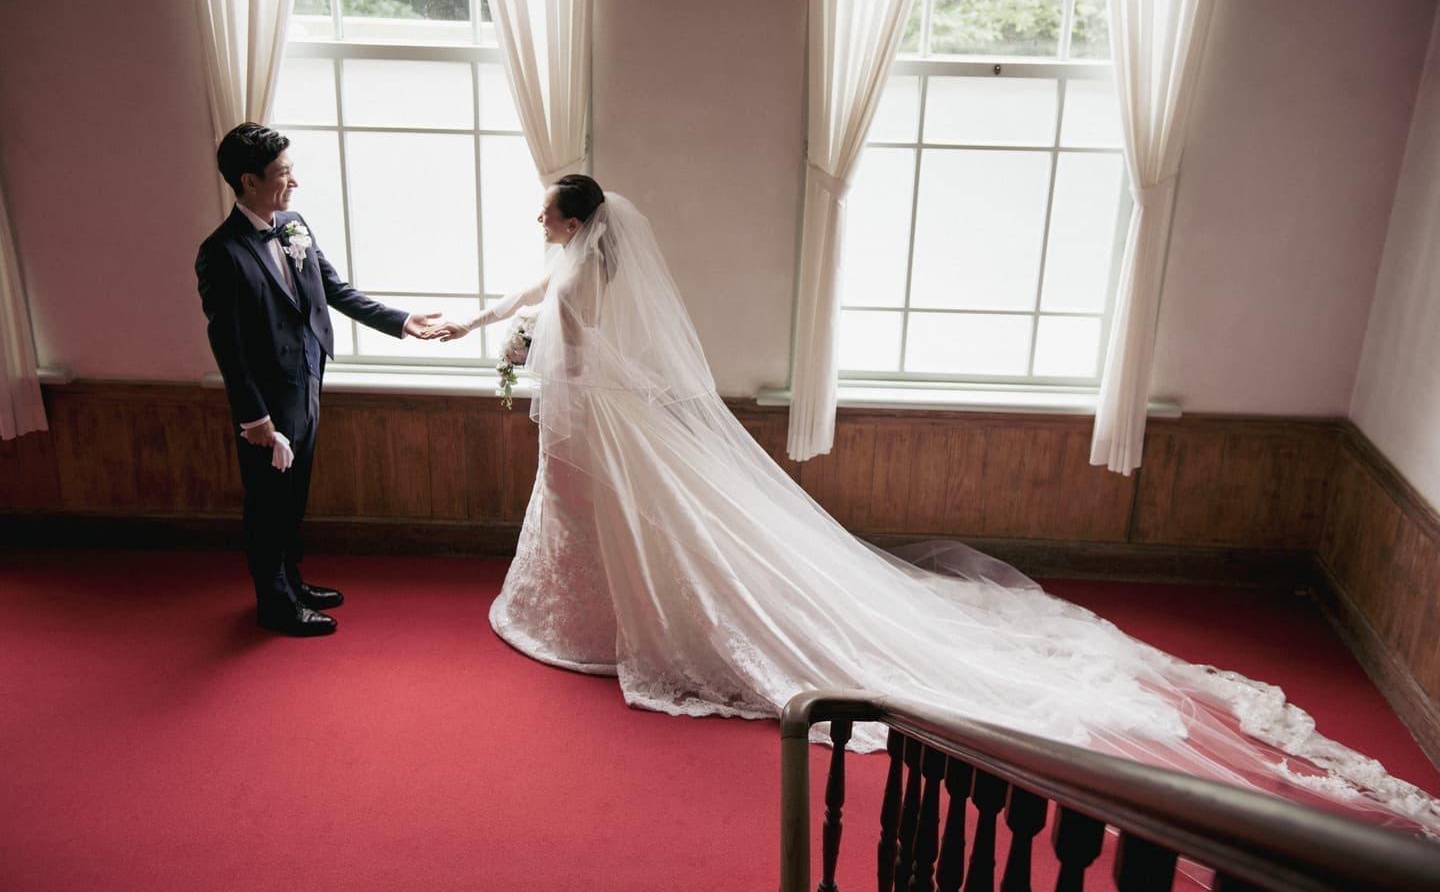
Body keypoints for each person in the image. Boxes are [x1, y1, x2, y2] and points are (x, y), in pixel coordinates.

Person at [435, 176, 1440, 833]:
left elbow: (559, 327)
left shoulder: (579, 277)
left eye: (546, 214)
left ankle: (614, 620)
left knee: (618, 522)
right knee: (599, 523)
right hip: (589, 417)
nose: (539, 224)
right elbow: (531, 301)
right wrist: (478, 325)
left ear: (574, 222)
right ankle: (597, 614)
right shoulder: (579, 264)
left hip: (593, 417)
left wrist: (519, 346)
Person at [197, 122, 445, 637]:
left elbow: (334, 289)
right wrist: (254, 418)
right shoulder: (221, 252)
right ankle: (274, 603)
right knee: (267, 500)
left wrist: (401, 321)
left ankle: (292, 581)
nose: (294, 182)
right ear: (249, 181)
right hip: (267, 404)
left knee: (294, 494)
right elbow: (228, 346)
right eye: (283, 173)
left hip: (308, 379)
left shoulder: (294, 224)